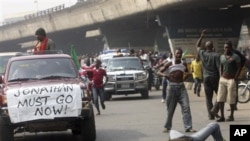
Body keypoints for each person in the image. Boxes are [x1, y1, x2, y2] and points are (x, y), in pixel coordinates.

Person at [157, 48, 196, 133]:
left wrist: (186, 76)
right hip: (172, 88)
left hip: (181, 88)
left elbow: (187, 73)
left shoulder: (184, 64)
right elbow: (158, 72)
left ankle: (188, 127)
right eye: (177, 54)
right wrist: (165, 75)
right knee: (170, 109)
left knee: (186, 107)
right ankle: (167, 127)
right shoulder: (169, 63)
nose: (178, 55)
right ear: (174, 54)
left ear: (182, 55)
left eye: (180, 54)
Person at [197, 29, 220, 120]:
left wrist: (202, 36)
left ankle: (210, 115)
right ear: (213, 47)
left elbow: (198, 45)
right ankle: (215, 108)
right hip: (215, 78)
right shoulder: (216, 55)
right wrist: (221, 76)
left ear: (206, 47)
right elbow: (219, 67)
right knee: (220, 95)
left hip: (206, 78)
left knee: (208, 97)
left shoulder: (202, 53)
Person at [216, 41, 241, 122]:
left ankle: (231, 115)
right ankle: (222, 116)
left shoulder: (235, 57)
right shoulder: (222, 57)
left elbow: (239, 67)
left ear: (231, 48)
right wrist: (221, 74)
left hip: (231, 79)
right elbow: (221, 66)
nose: (226, 49)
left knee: (231, 98)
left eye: (227, 47)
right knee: (220, 98)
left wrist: (235, 78)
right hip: (223, 79)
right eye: (225, 47)